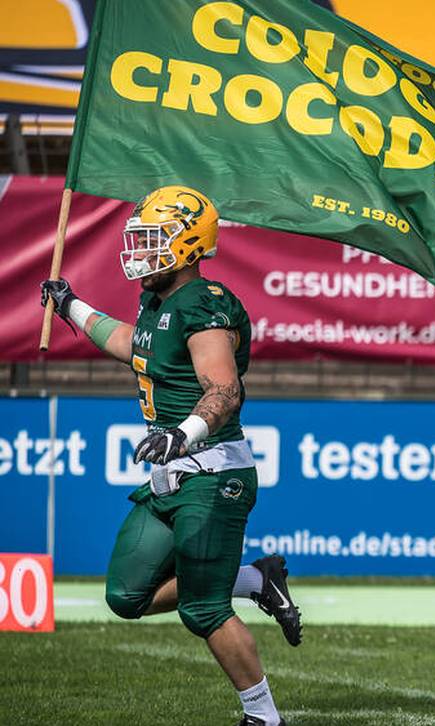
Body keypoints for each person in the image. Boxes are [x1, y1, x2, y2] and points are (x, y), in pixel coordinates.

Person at [39, 186, 301, 726]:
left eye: (153, 239)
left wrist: (182, 433)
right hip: (172, 474)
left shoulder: (204, 305)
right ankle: (257, 579)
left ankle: (264, 716)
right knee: (126, 594)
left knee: (202, 608)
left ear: (189, 244)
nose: (140, 250)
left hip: (212, 473)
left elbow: (225, 391)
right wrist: (71, 305)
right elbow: (130, 342)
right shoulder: (158, 302)